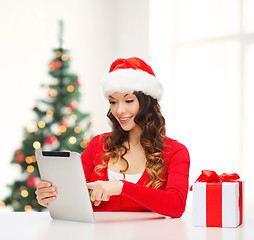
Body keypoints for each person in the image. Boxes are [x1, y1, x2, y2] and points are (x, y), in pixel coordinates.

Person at [35, 57, 190, 218]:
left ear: (147, 102)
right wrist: (50, 196)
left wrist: (122, 187)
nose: (120, 110)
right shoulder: (98, 144)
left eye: (129, 100)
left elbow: (176, 206)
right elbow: (73, 195)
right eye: (113, 102)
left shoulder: (175, 152)